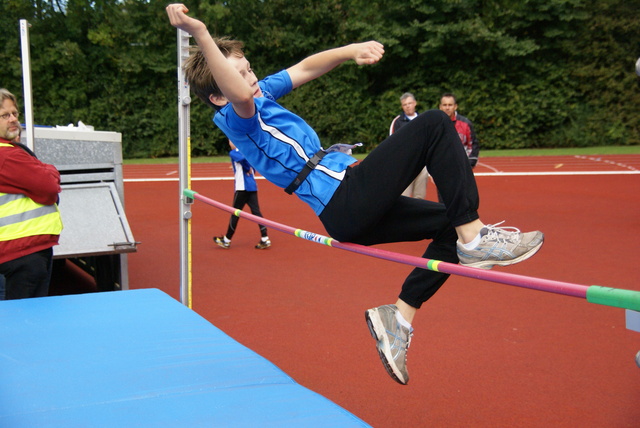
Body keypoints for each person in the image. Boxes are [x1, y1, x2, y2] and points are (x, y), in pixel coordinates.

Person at [166, 4, 544, 385]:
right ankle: (476, 236)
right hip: (345, 197)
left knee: (448, 224)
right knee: (433, 124)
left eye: (249, 68)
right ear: (218, 95)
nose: (252, 77)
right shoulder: (237, 115)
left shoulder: (260, 93)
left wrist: (350, 50)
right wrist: (200, 32)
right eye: (241, 74)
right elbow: (236, 91)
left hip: (349, 206)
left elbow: (306, 67)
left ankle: (398, 318)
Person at [0, 88, 63, 300]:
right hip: (22, 251)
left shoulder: (11, 151)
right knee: (26, 322)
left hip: (18, 250)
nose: (13, 120)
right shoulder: (7, 156)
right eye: (4, 115)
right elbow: (49, 189)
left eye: (15, 113)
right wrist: (50, 169)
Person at [213, 140, 271, 249]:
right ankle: (265, 238)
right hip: (252, 186)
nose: (229, 143)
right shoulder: (249, 152)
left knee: (235, 213)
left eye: (230, 141)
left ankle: (227, 240)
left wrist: (246, 168)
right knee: (256, 212)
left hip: (242, 188)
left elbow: (242, 159)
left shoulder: (235, 152)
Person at [389, 93, 429, 199]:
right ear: (402, 106)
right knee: (403, 196)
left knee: (420, 197)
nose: (408, 106)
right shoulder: (397, 122)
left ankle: (419, 216)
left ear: (415, 103)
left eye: (410, 103)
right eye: (404, 104)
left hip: (421, 163)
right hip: (405, 165)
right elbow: (392, 144)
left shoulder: (423, 119)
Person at [439, 93, 479, 168]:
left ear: (455, 106)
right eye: (444, 105)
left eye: (450, 105)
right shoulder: (434, 124)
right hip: (442, 165)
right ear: (440, 107)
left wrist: (470, 162)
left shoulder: (465, 124)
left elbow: (473, 144)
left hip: (462, 165)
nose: (447, 108)